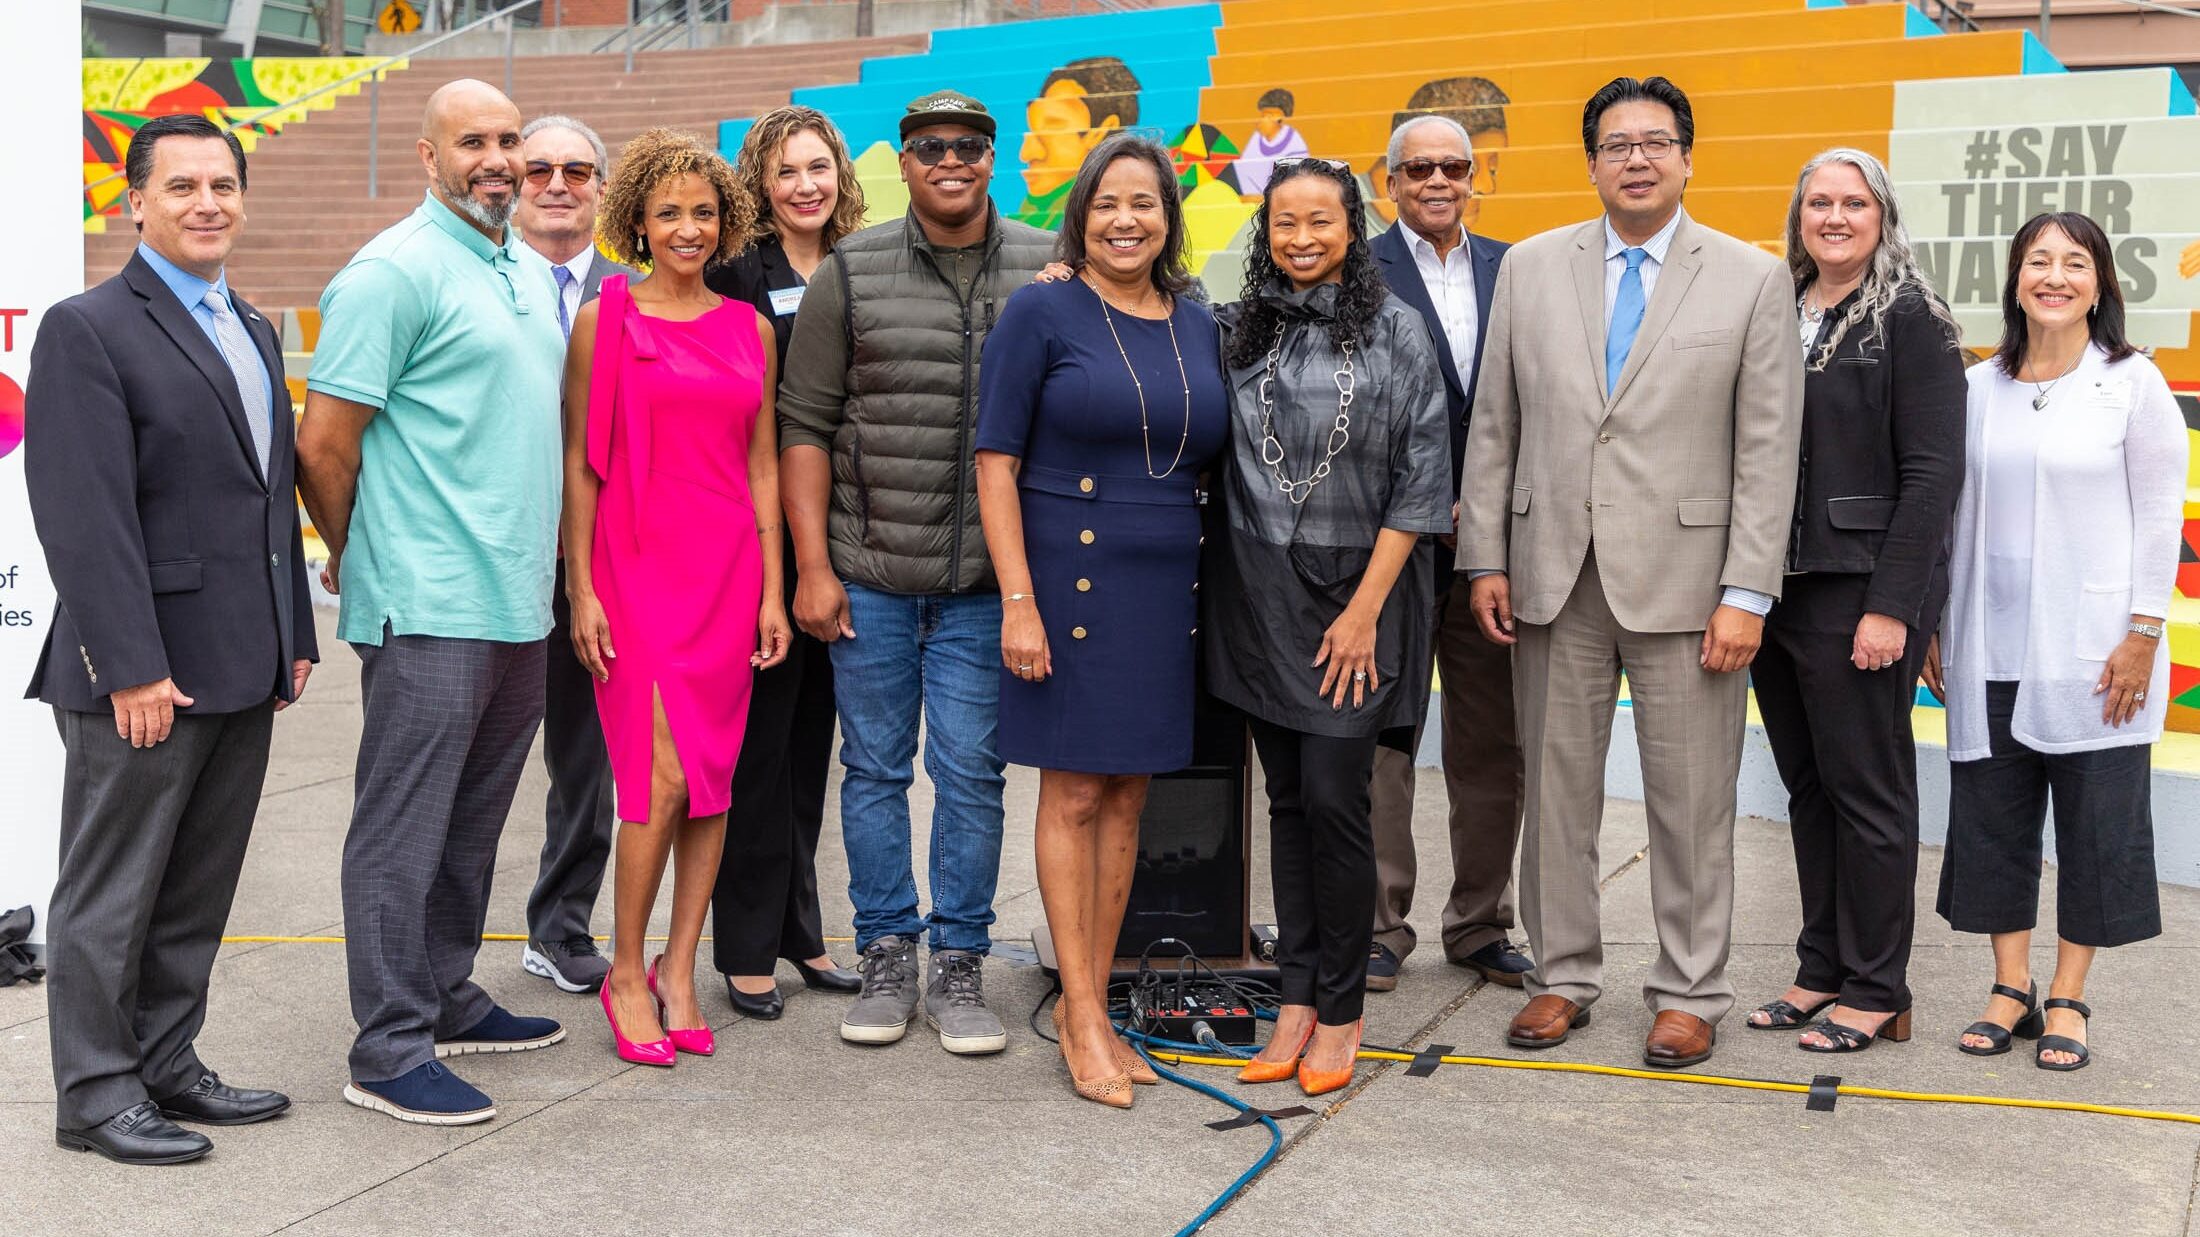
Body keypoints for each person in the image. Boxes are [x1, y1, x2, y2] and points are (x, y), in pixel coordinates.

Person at [1458, 76, 1803, 1071]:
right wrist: (1486, 551)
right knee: (1555, 791)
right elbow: (1496, 424)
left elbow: (1766, 445)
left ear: (1688, 158)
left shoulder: (1748, 277)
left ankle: (1689, 989)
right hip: (1550, 573)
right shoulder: (1529, 268)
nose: (1637, 159)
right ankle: (1563, 976)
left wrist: (1747, 591)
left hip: (1692, 583)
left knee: (1689, 798)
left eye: (1656, 142)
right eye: (1616, 144)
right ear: (1592, 162)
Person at [27, 113, 315, 1166]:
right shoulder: (88, 326)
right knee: (113, 891)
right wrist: (131, 665)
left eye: (223, 185)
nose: (207, 203)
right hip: (141, 669)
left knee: (195, 884)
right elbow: (83, 514)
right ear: (134, 203)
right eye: (183, 186)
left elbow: (265, 497)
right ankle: (97, 1095)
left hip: (245, 657)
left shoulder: (252, 323)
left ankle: (164, 1060)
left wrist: (292, 633)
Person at [299, 79, 568, 1126]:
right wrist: (365, 551)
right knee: (401, 829)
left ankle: (445, 991)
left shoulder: (510, 262)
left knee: (471, 823)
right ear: (427, 155)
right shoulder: (393, 272)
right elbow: (323, 443)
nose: (498, 158)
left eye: (509, 138)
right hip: (430, 599)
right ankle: (388, 1045)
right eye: (475, 142)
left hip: (513, 600)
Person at [776, 90, 1055, 1055]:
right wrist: (813, 566)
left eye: (969, 145)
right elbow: (804, 426)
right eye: (930, 145)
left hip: (984, 586)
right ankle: (889, 950)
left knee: (972, 776)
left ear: (993, 156)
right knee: (875, 772)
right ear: (902, 159)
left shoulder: (1045, 263)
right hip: (872, 578)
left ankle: (961, 964)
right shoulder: (851, 271)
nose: (951, 159)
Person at [975, 134, 1231, 1107]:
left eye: (1146, 204)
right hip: (1065, 587)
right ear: (1079, 214)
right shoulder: (1041, 308)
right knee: (1076, 792)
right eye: (1107, 203)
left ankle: (1102, 999)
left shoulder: (1196, 321)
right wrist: (1018, 601)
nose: (1126, 220)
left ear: (1170, 217)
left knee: (1130, 796)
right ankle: (1080, 1013)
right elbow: (993, 460)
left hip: (1165, 588)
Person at [1209, 157, 1452, 1098]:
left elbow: (1422, 485)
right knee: (1285, 805)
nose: (1301, 238)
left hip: (1362, 604)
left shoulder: (1397, 331)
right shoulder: (1239, 328)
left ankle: (1343, 1012)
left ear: (1353, 227)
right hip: (1260, 598)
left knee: (1335, 802)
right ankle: (1296, 998)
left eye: (1320, 221)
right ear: (1264, 230)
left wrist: (1362, 615)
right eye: (1284, 223)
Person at [1930, 211, 2186, 1071]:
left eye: (2074, 263)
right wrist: (1935, 619)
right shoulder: (1979, 386)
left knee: (2096, 820)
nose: (2054, 276)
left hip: (2094, 648)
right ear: (2014, 279)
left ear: (2101, 282)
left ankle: (2070, 992)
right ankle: (2011, 985)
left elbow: (2158, 517)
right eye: (2037, 261)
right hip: (1988, 640)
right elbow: (1949, 512)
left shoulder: (2132, 381)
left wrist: (2145, 632)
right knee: (1995, 818)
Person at [564, 127, 790, 1065]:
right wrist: (580, 587)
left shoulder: (753, 327)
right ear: (637, 223)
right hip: (635, 568)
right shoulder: (604, 316)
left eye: (704, 211)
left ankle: (681, 964)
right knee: (654, 784)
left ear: (727, 220)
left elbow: (763, 466)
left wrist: (774, 592)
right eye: (669, 212)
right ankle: (624, 970)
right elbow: (581, 467)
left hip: (729, 573)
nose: (688, 228)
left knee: (710, 785)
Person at [1743, 148, 1965, 1055]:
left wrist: (1894, 607)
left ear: (1884, 215)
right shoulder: (1779, 310)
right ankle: (1822, 965)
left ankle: (1879, 987)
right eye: (1819, 203)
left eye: (1854, 203)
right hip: (1774, 590)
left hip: (1859, 591)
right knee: (1808, 788)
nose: (1834, 217)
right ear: (1799, 215)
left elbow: (1932, 474)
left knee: (1869, 795)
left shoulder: (1914, 317)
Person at [704, 105, 866, 1019]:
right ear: (759, 186)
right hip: (758, 543)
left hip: (846, 540)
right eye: (785, 170)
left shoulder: (862, 266)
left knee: (812, 750)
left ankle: (801, 930)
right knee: (759, 752)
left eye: (818, 167)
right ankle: (746, 946)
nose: (805, 184)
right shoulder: (733, 281)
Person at [1362, 112, 1524, 995]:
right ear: (1390, 181)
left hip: (1494, 553)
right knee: (1384, 744)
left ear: (1474, 176)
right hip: (1392, 550)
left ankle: (1480, 922)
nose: (1437, 181)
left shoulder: (1520, 269)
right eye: (1418, 167)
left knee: (1492, 748)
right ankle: (1382, 925)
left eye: (1453, 167)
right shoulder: (1357, 266)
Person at [513, 112, 635, 997]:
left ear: (603, 186)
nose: (559, 184)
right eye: (539, 169)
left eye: (579, 171)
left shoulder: (634, 297)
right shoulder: (476, 282)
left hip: (600, 562)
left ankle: (560, 925)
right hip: (493, 554)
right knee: (470, 755)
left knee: (587, 759)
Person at [1017, 57, 1141, 229]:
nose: (1027, 153)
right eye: (1033, 130)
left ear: (1101, 131)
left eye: (1053, 128)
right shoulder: (1036, 212)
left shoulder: (1087, 219)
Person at [1233, 88, 1309, 199]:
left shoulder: (1294, 142)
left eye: (1267, 116)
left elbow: (1297, 180)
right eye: (1262, 116)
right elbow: (1243, 171)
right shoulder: (1256, 139)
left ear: (1279, 116)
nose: (1261, 121)